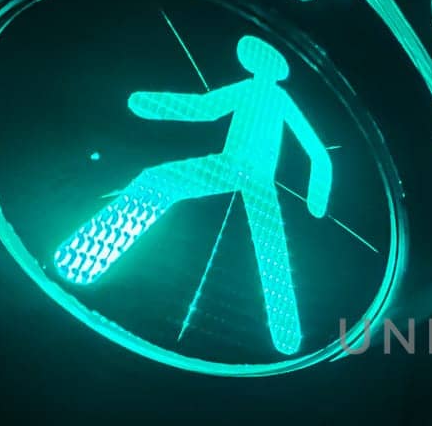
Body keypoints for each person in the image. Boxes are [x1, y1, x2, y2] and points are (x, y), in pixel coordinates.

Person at [54, 36, 332, 354]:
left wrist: (318, 197)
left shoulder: (278, 98)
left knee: (265, 243)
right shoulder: (251, 90)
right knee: (163, 183)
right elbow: (205, 108)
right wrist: (147, 103)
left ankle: (287, 335)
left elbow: (316, 150)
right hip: (234, 166)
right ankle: (85, 258)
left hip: (241, 169)